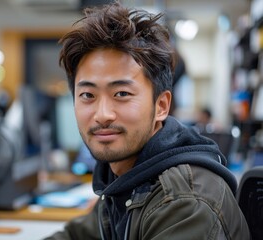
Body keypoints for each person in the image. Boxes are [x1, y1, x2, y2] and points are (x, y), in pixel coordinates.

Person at [45, 2, 250, 239]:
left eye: (121, 94)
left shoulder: (184, 204)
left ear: (161, 106)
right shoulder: (124, 179)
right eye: (88, 95)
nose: (102, 114)